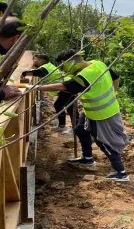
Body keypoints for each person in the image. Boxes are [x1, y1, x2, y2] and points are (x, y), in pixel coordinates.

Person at [35, 50, 129, 182]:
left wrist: (36, 87)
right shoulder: (98, 63)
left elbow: (65, 86)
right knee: (80, 129)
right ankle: (88, 159)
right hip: (91, 110)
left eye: (64, 66)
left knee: (104, 141)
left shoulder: (87, 74)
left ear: (71, 62)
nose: (64, 70)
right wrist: (114, 92)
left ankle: (121, 172)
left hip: (102, 113)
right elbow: (116, 77)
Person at [21, 54, 76, 134]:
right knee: (62, 106)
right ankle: (63, 126)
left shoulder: (45, 68)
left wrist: (24, 73)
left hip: (66, 87)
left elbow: (37, 72)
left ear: (41, 60)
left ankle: (72, 128)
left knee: (69, 108)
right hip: (65, 87)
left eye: (35, 59)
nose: (33, 61)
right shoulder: (47, 66)